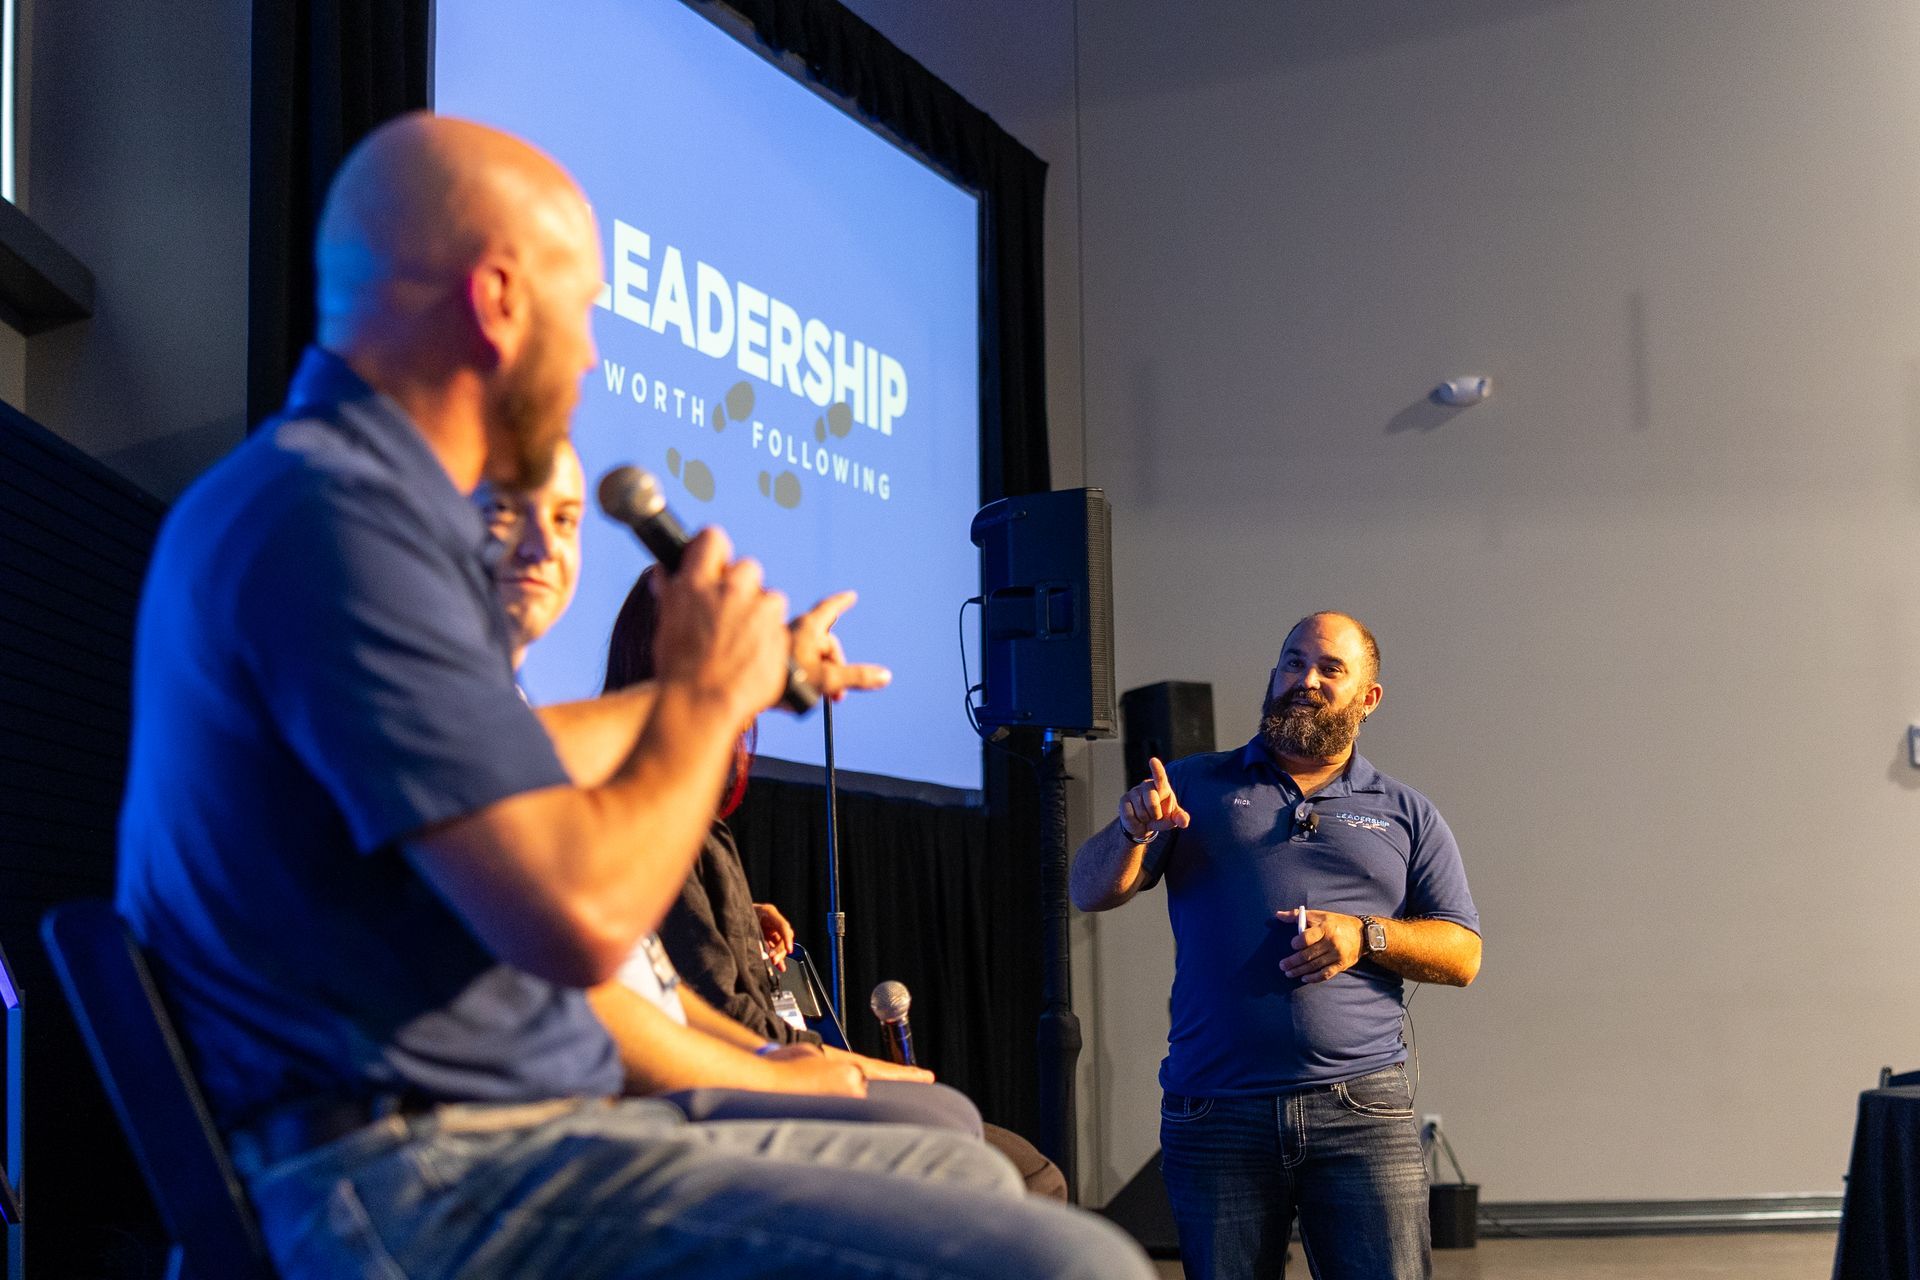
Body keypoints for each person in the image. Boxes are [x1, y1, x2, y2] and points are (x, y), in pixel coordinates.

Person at [116, 111, 1154, 1280]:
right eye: (589, 308)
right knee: (1076, 1268)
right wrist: (701, 693)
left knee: (961, 1167)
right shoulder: (336, 525)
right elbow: (582, 917)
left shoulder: (327, 502)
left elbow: (528, 750)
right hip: (425, 1177)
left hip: (499, 1135)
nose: (598, 357)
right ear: (501, 300)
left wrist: (743, 674)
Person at [601, 567, 1071, 1198]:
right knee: (1023, 1173)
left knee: (977, 1135)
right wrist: (842, 1066)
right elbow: (711, 1011)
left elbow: (681, 970)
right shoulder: (650, 811)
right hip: (717, 1088)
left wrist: (740, 911)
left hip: (753, 1061)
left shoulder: (684, 819)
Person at [1071, 612, 1482, 1280]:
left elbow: (1463, 953)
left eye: (1329, 669)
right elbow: (1092, 890)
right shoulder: (1194, 786)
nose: (1305, 681)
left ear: (1368, 698)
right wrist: (1132, 831)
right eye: (1293, 663)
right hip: (1217, 1111)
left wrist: (1365, 935)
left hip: (1361, 1113)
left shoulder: (1406, 813)